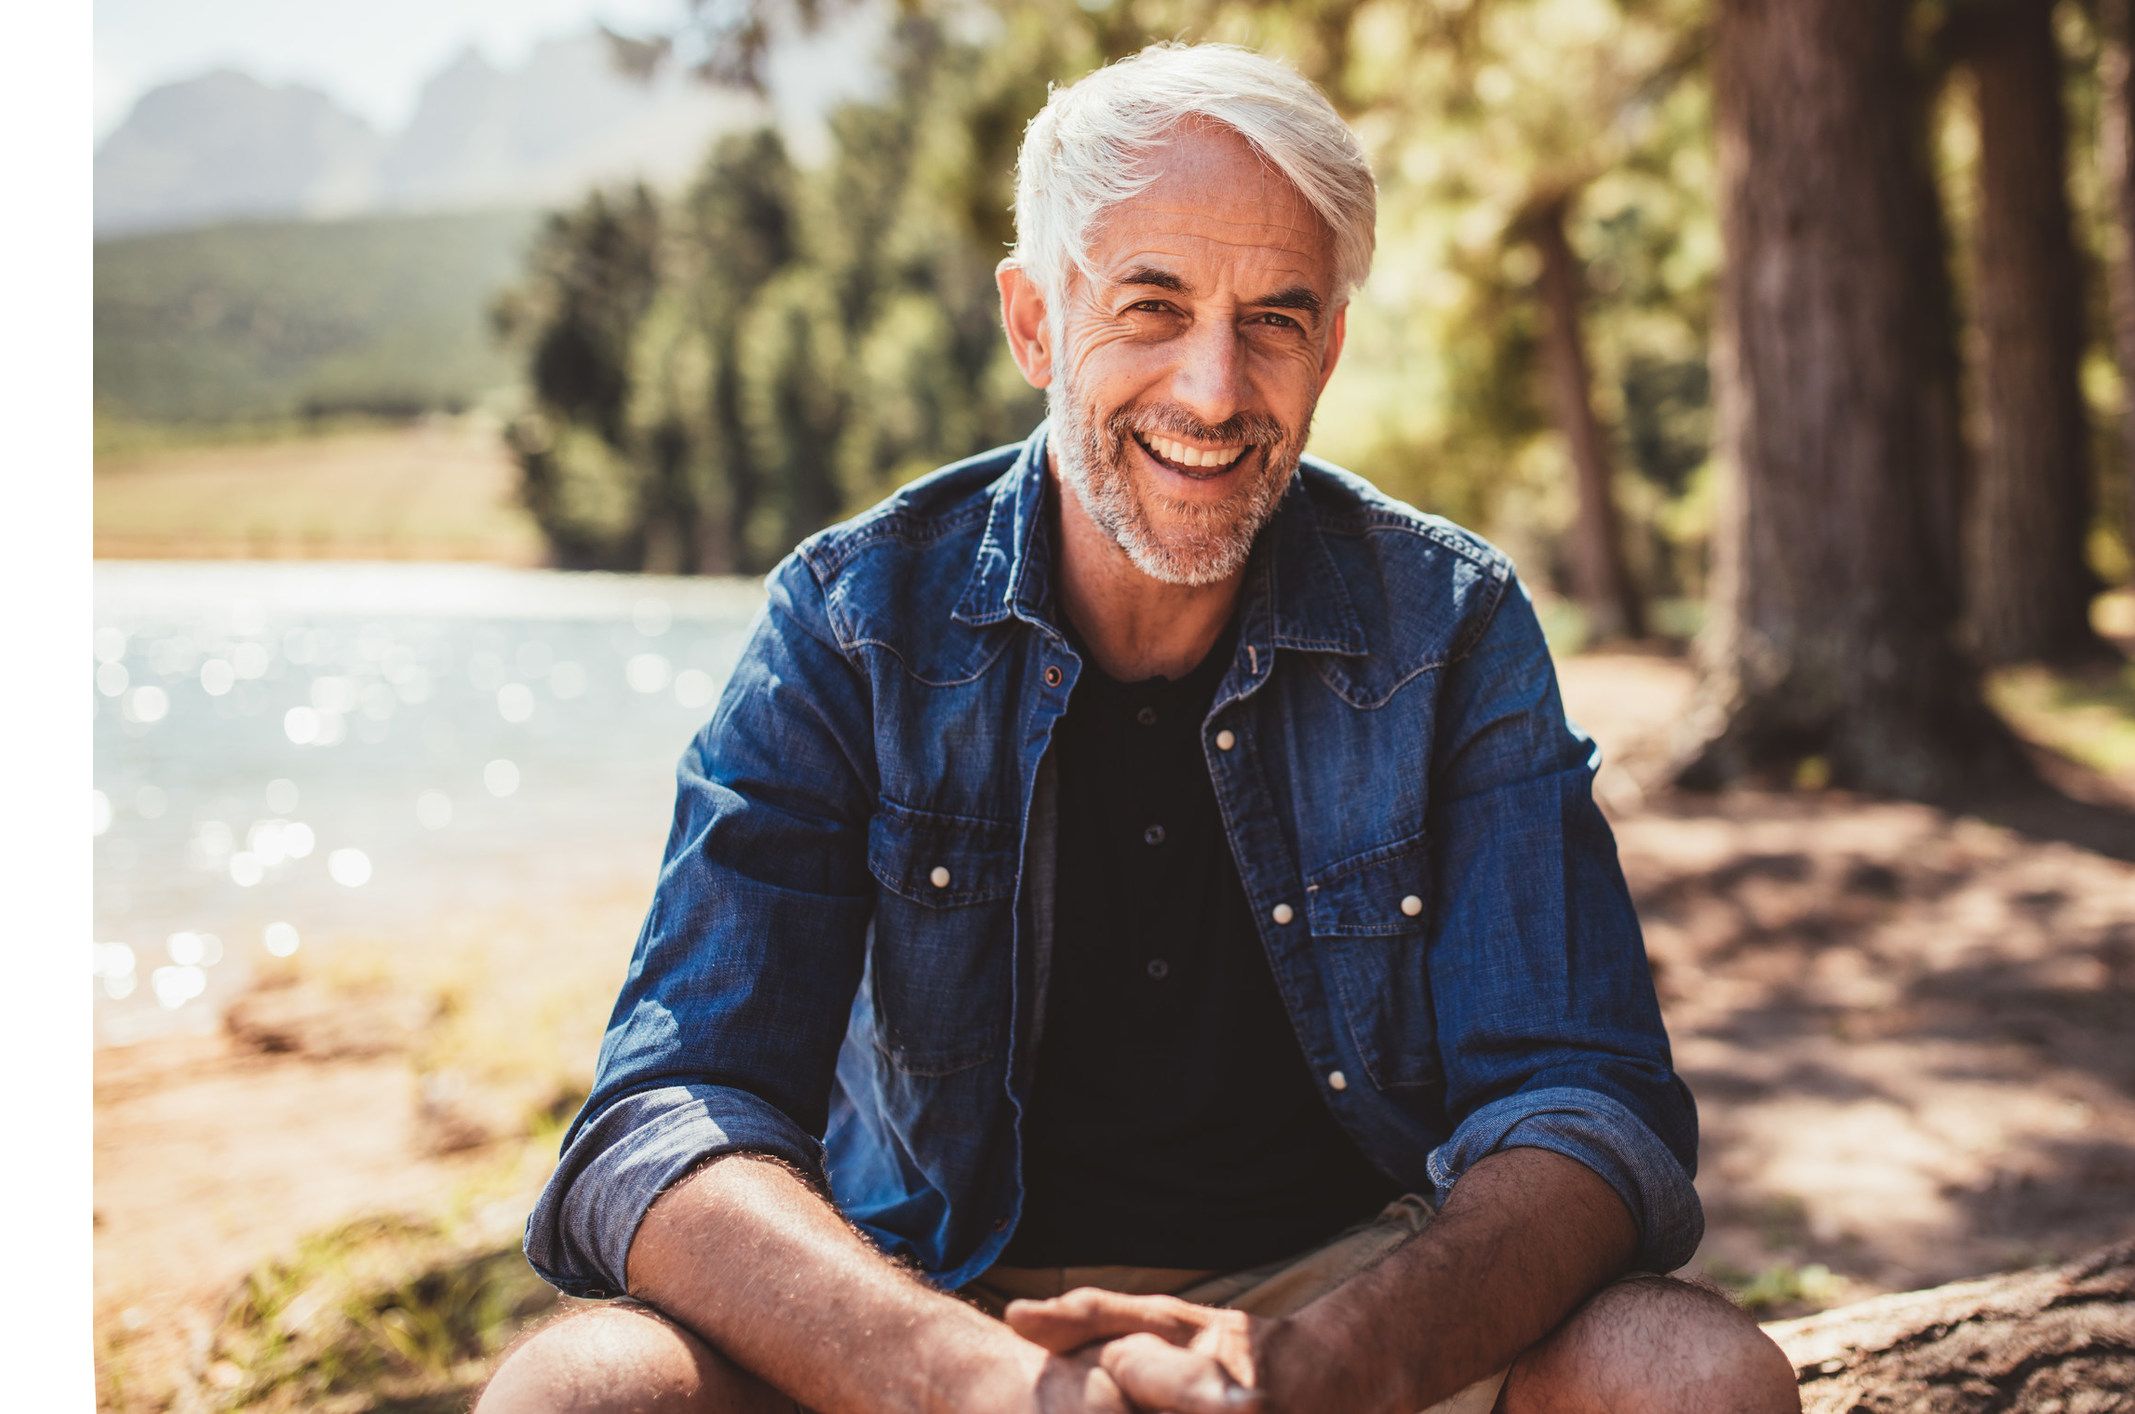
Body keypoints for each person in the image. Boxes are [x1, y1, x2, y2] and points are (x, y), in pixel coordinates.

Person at [478, 41, 1795, 1414]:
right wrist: (979, 1382)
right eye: (1152, 306)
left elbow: (1587, 1105)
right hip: (933, 1306)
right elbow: (668, 1112)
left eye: (1276, 318)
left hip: (1355, 1305)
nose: (1216, 390)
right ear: (1035, 319)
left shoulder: (1449, 624)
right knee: (582, 1391)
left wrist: (1316, 1368)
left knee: (1689, 1377)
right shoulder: (852, 621)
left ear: (1330, 346)